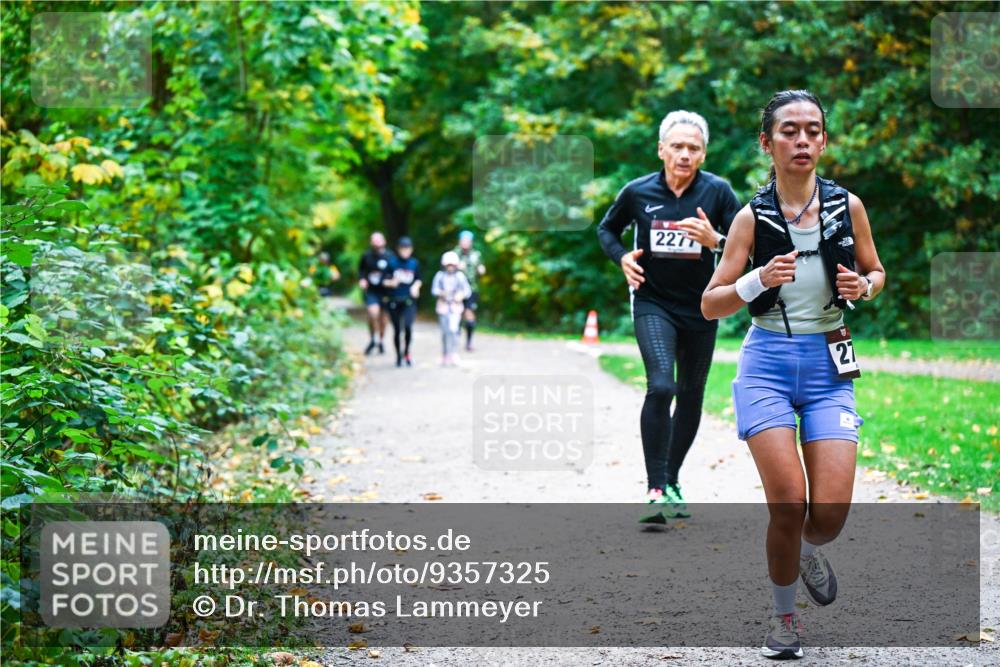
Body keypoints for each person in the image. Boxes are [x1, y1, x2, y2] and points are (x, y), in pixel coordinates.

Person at [701, 90, 885, 660]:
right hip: (768, 367)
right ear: (767, 143)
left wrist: (865, 287)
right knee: (787, 502)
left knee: (826, 515)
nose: (801, 140)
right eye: (789, 131)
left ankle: (809, 548)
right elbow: (711, 304)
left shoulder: (847, 206)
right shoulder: (749, 218)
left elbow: (876, 270)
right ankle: (785, 621)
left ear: (824, 141)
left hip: (831, 363)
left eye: (812, 131)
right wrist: (758, 280)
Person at [597, 110, 742, 521]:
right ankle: (656, 486)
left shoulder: (718, 193)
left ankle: (673, 477)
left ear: (703, 154)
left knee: (692, 395)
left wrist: (716, 240)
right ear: (661, 149)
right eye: (676, 146)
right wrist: (622, 256)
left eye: (693, 148)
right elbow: (607, 230)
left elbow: (747, 245)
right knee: (662, 386)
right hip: (652, 301)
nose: (684, 154)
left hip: (702, 304)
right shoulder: (638, 192)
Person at [384, 237, 423, 367]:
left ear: (411, 249)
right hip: (394, 300)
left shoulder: (414, 263)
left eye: (407, 248)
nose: (405, 251)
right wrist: (391, 283)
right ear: (398, 249)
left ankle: (407, 353)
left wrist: (416, 287)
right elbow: (383, 281)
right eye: (402, 248)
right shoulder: (391, 263)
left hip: (409, 301)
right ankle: (398, 356)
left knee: (407, 327)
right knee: (397, 330)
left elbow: (419, 279)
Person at [431, 251, 471, 366]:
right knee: (445, 332)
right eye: (448, 265)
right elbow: (434, 290)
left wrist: (461, 295)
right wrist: (441, 293)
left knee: (454, 331)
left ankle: (454, 353)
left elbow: (467, 290)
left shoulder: (460, 276)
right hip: (443, 307)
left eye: (452, 265)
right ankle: (445, 354)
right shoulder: (440, 276)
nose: (450, 267)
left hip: (455, 308)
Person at [357, 232, 393, 355]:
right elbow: (361, 270)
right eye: (374, 240)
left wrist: (391, 282)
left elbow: (394, 272)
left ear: (384, 241)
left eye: (379, 240)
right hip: (372, 291)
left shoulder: (390, 256)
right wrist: (362, 280)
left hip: (386, 292)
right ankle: (373, 338)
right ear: (371, 242)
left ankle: (381, 341)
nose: (376, 242)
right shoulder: (366, 256)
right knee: (373, 313)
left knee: (384, 319)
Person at [453, 230, 485, 351]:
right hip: (456, 289)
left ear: (471, 242)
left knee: (469, 313)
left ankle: (469, 342)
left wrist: (481, 269)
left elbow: (481, 267)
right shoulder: (454, 254)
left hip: (471, 289)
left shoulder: (476, 254)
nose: (465, 243)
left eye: (467, 241)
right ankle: (455, 338)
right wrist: (457, 267)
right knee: (457, 314)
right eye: (463, 240)